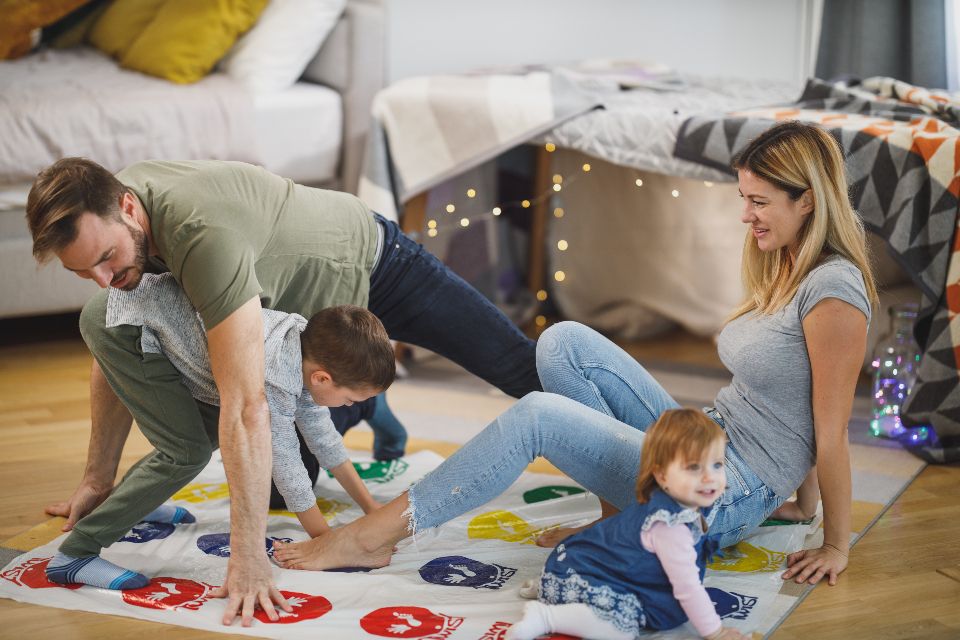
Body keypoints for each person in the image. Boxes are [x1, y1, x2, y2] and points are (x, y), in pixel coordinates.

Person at [273, 121, 877, 591]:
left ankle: (370, 535)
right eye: (744, 198)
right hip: (708, 441)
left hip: (725, 492)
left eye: (760, 202)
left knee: (538, 414)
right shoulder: (790, 266)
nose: (746, 216)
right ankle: (620, 520)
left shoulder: (834, 293)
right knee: (563, 343)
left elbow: (828, 428)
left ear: (808, 201)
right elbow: (789, 394)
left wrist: (833, 540)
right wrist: (799, 502)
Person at [27, 158, 541, 624]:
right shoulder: (119, 238)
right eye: (82, 271)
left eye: (106, 259)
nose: (102, 279)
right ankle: (367, 404)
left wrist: (247, 554)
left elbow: (247, 408)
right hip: (299, 342)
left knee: (514, 364)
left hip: (374, 264)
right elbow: (123, 339)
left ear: (129, 209)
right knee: (275, 480)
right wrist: (98, 476)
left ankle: (621, 461)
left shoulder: (202, 237)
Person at [47, 273, 392, 589]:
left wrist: (370, 506)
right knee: (186, 452)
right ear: (323, 378)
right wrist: (325, 539)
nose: (347, 407)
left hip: (148, 322)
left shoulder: (304, 353)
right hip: (125, 325)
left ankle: (135, 501)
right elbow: (286, 466)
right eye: (349, 400)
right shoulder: (274, 371)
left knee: (212, 432)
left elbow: (324, 439)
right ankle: (75, 554)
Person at [506, 409, 746, 640]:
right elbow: (688, 588)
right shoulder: (670, 527)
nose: (709, 477)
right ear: (662, 476)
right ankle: (547, 616)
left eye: (717, 465)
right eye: (694, 467)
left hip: (584, 566)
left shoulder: (677, 504)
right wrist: (716, 632)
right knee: (622, 628)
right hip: (579, 572)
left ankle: (560, 592)